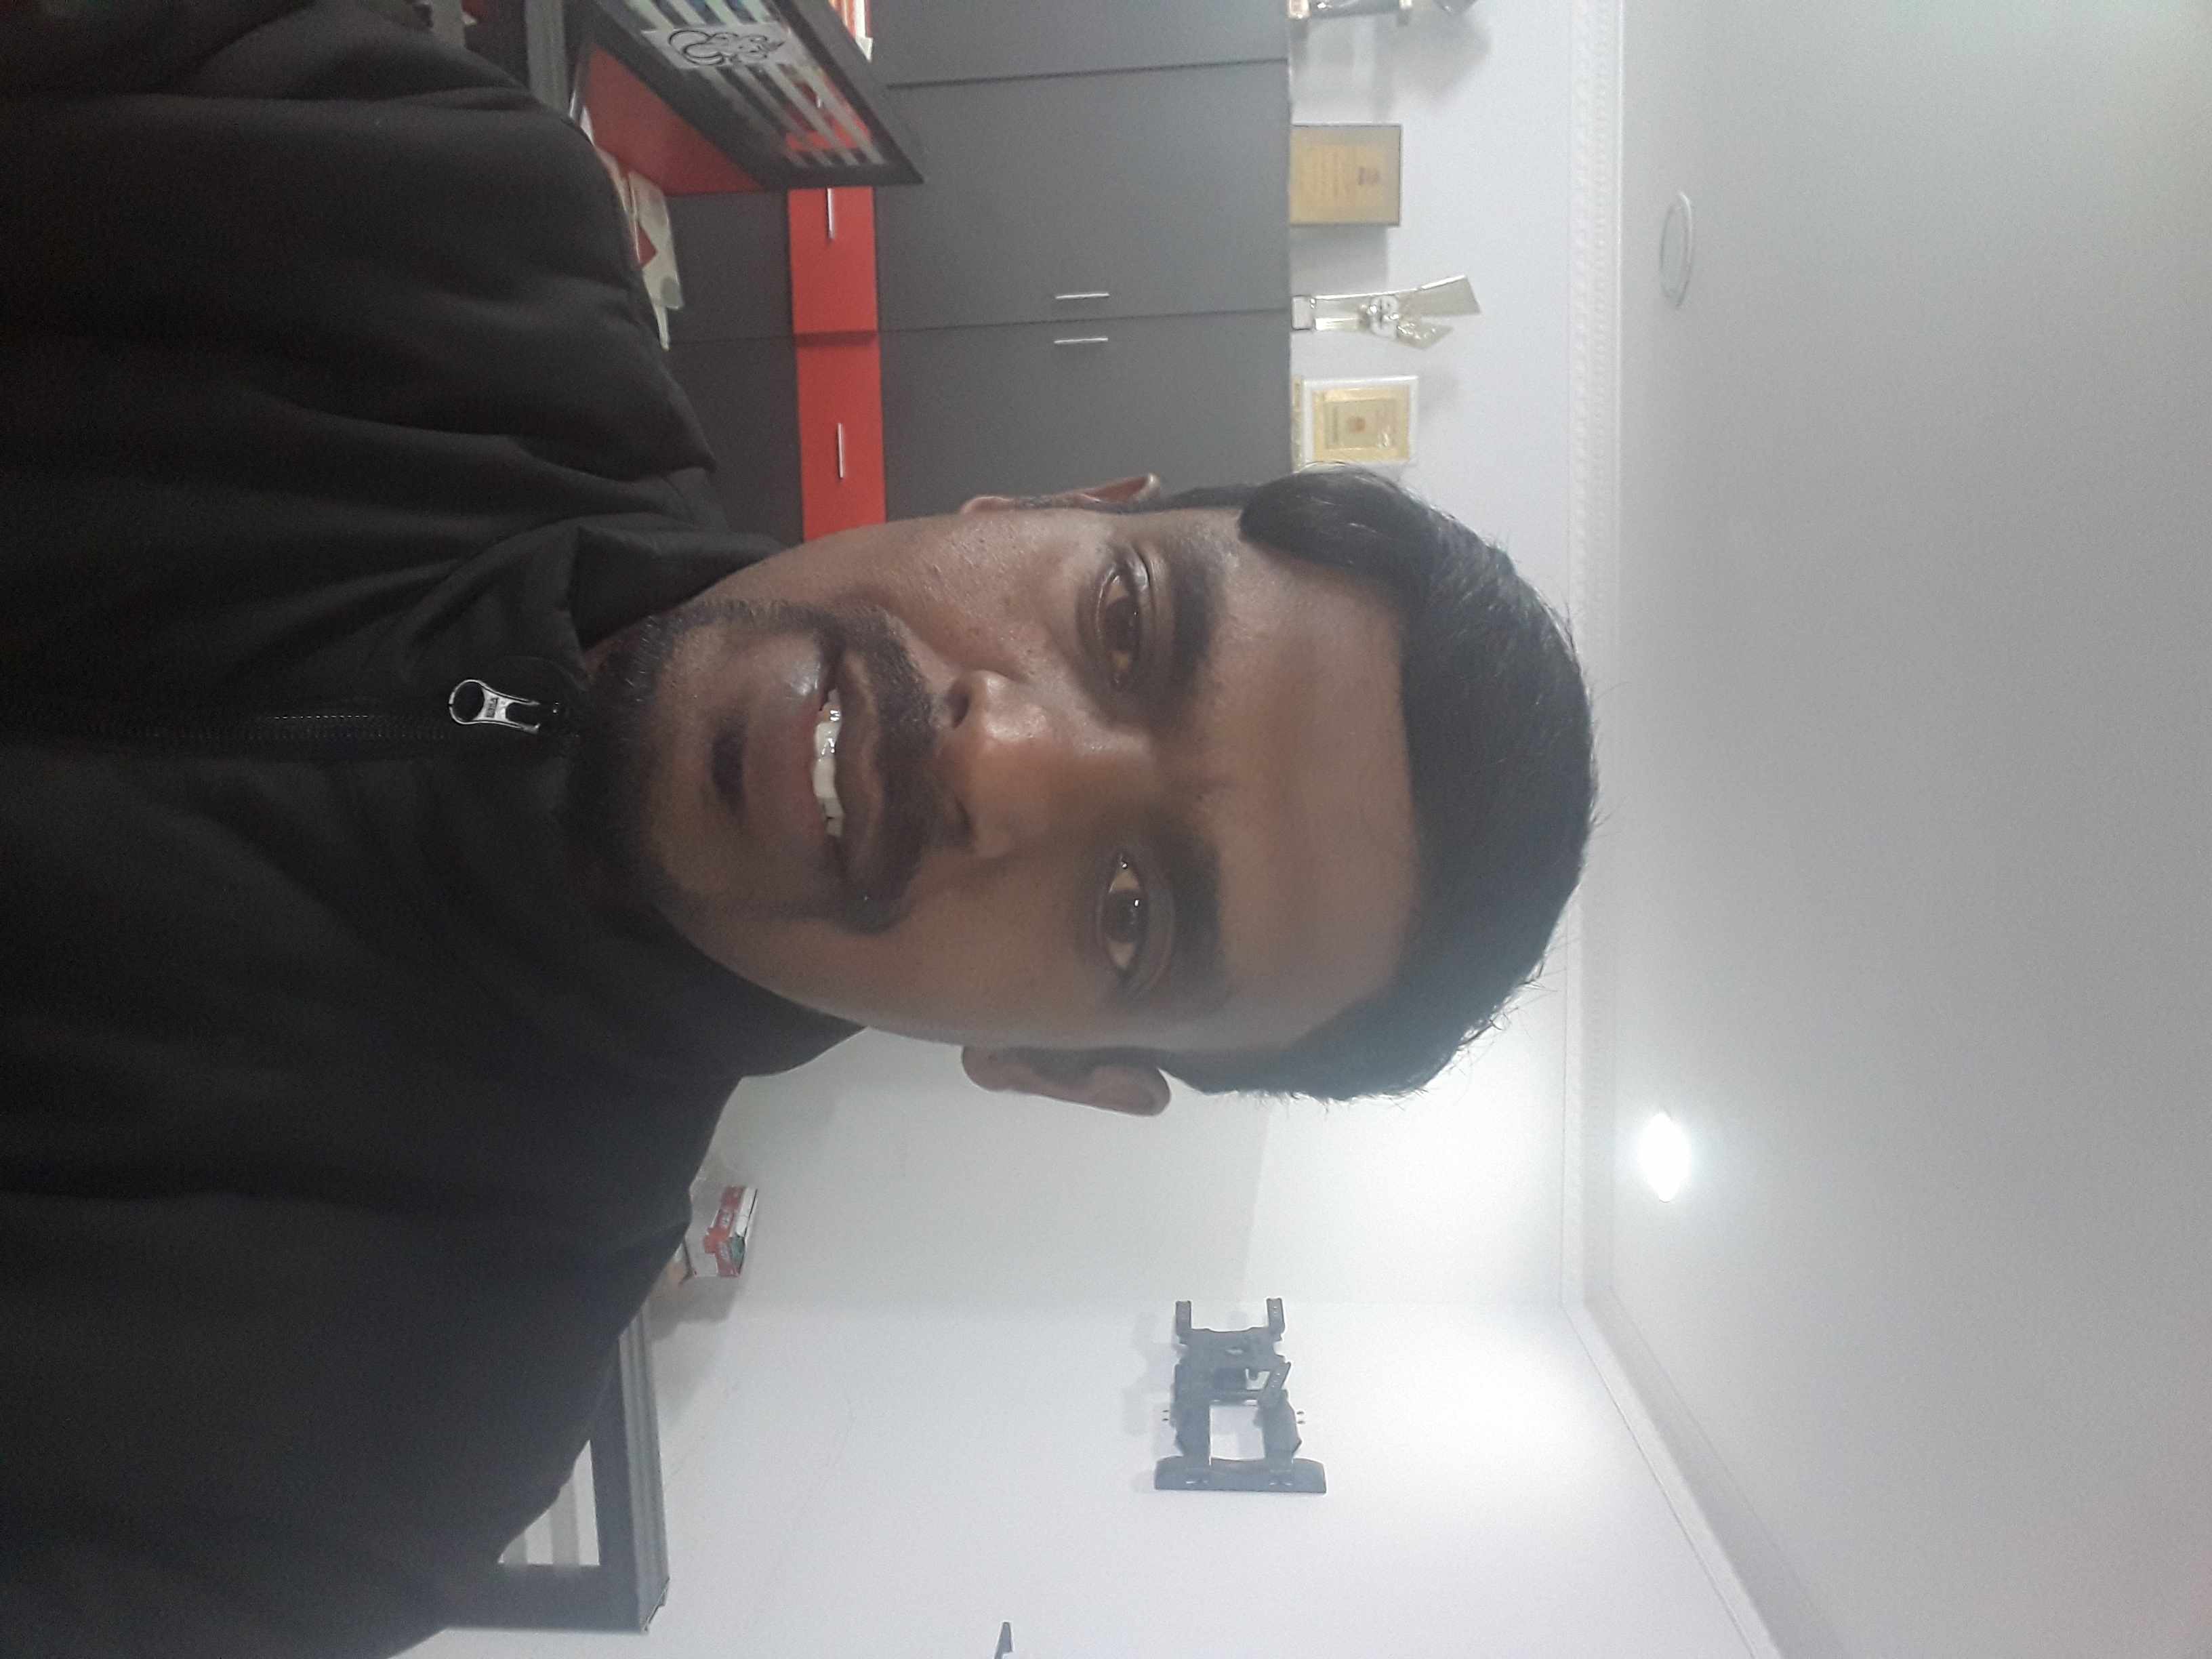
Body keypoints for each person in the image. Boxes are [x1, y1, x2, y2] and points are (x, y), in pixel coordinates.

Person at [0, 0, 1597, 1653]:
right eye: (1122, 621)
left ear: (1051, 1070)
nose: (1005, 762)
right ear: (1048, 508)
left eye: (1133, 913)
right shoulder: (431, 210)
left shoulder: (372, 1459)